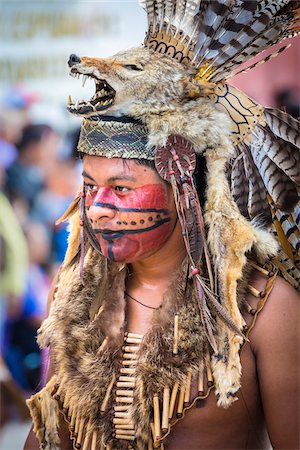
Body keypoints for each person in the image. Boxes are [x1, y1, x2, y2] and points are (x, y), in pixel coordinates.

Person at [24, 1, 299, 449]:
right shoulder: (76, 291)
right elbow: (48, 434)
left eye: (123, 189)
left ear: (184, 187)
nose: (96, 210)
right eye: (89, 187)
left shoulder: (266, 308)